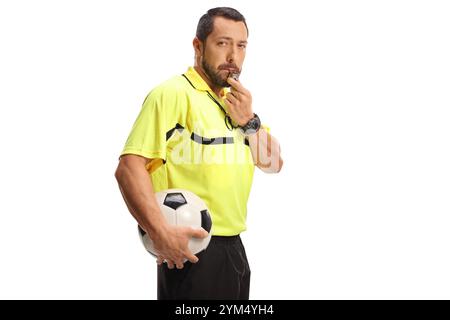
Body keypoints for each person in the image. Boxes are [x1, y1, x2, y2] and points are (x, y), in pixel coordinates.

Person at [115, 7, 283, 300]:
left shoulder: (235, 103)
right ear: (198, 46)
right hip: (191, 251)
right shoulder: (172, 94)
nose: (233, 56)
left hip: (233, 248)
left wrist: (249, 122)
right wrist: (160, 234)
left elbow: (273, 163)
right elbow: (129, 167)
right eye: (222, 43)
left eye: (241, 45)